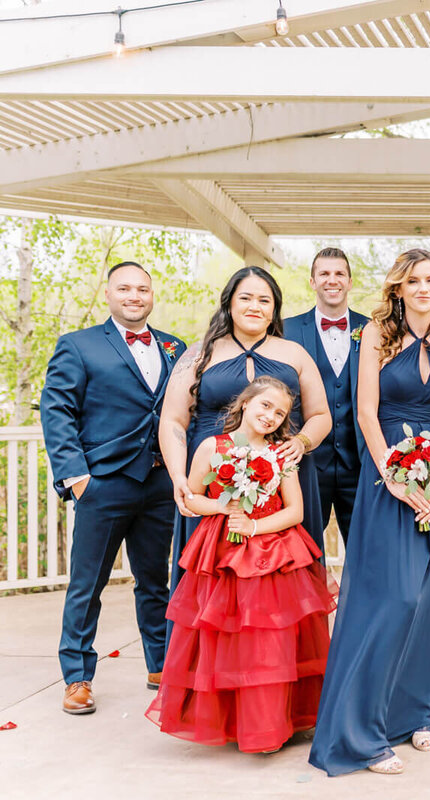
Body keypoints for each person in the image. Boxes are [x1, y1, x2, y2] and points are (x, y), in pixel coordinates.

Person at [310, 249, 430, 776]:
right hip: (389, 478)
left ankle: (420, 711)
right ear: (398, 288)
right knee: (393, 598)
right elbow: (366, 412)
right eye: (414, 280)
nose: (424, 288)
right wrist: (394, 477)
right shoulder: (375, 335)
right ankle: (361, 731)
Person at [146, 377, 335, 754]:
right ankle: (231, 719)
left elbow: (295, 511)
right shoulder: (211, 447)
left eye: (279, 413)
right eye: (265, 405)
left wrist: (253, 527)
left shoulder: (281, 454)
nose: (271, 416)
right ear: (246, 403)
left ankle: (269, 722)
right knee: (228, 636)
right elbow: (192, 498)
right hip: (222, 553)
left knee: (270, 639)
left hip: (273, 553)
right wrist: (223, 506)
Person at [41, 261, 187, 715]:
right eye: (124, 288)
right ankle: (77, 677)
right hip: (102, 484)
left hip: (159, 484)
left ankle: (161, 666)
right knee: (87, 585)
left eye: (142, 289)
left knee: (155, 581)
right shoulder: (78, 345)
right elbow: (57, 411)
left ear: (152, 295)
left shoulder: (175, 347)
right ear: (108, 293)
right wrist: (78, 479)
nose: (134, 296)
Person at [159, 267, 331, 593]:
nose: (255, 306)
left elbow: (321, 414)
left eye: (264, 300)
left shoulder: (294, 353)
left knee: (283, 585)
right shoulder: (199, 353)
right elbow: (172, 420)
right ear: (229, 303)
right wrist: (179, 477)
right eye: (246, 298)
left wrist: (302, 441)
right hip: (213, 477)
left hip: (280, 474)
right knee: (212, 580)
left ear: (274, 308)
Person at [284, 247, 369, 544]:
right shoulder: (286, 329)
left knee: (364, 548)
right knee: (301, 548)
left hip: (359, 463)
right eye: (324, 274)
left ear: (350, 282)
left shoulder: (374, 329)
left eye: (339, 274)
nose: (332, 280)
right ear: (312, 281)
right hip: (305, 462)